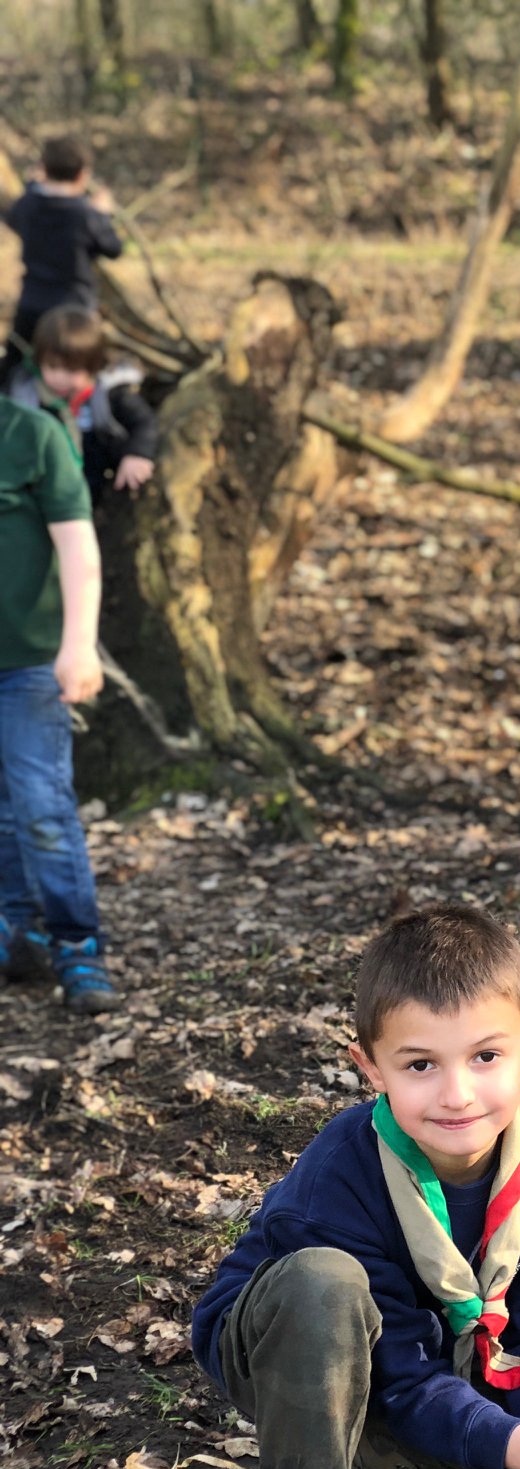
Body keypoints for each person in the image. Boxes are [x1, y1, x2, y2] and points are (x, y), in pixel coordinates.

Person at [192, 905, 520, 1469]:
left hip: (453, 1344)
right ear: (371, 1066)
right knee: (324, 1285)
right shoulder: (341, 1175)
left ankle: (390, 1451)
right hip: (304, 1347)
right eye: (420, 1065)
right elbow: (400, 1375)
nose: (457, 1095)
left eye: (486, 1056)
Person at [0, 390, 116, 1009]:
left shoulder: (33, 434)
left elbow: (77, 546)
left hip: (30, 664)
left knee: (42, 808)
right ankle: (18, 931)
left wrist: (79, 645)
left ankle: (77, 944)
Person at [7, 305, 158, 498]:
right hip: (42, 490)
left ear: (93, 367)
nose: (59, 377)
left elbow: (144, 422)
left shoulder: (110, 394)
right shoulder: (25, 393)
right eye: (52, 366)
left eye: (71, 370)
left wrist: (137, 453)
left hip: (96, 484)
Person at [4, 137, 123, 377]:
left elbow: (14, 218)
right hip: (74, 307)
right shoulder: (86, 215)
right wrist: (103, 215)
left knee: (13, 367)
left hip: (32, 302)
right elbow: (113, 248)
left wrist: (31, 186)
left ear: (43, 169)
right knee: (79, 369)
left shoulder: (28, 204)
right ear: (83, 175)